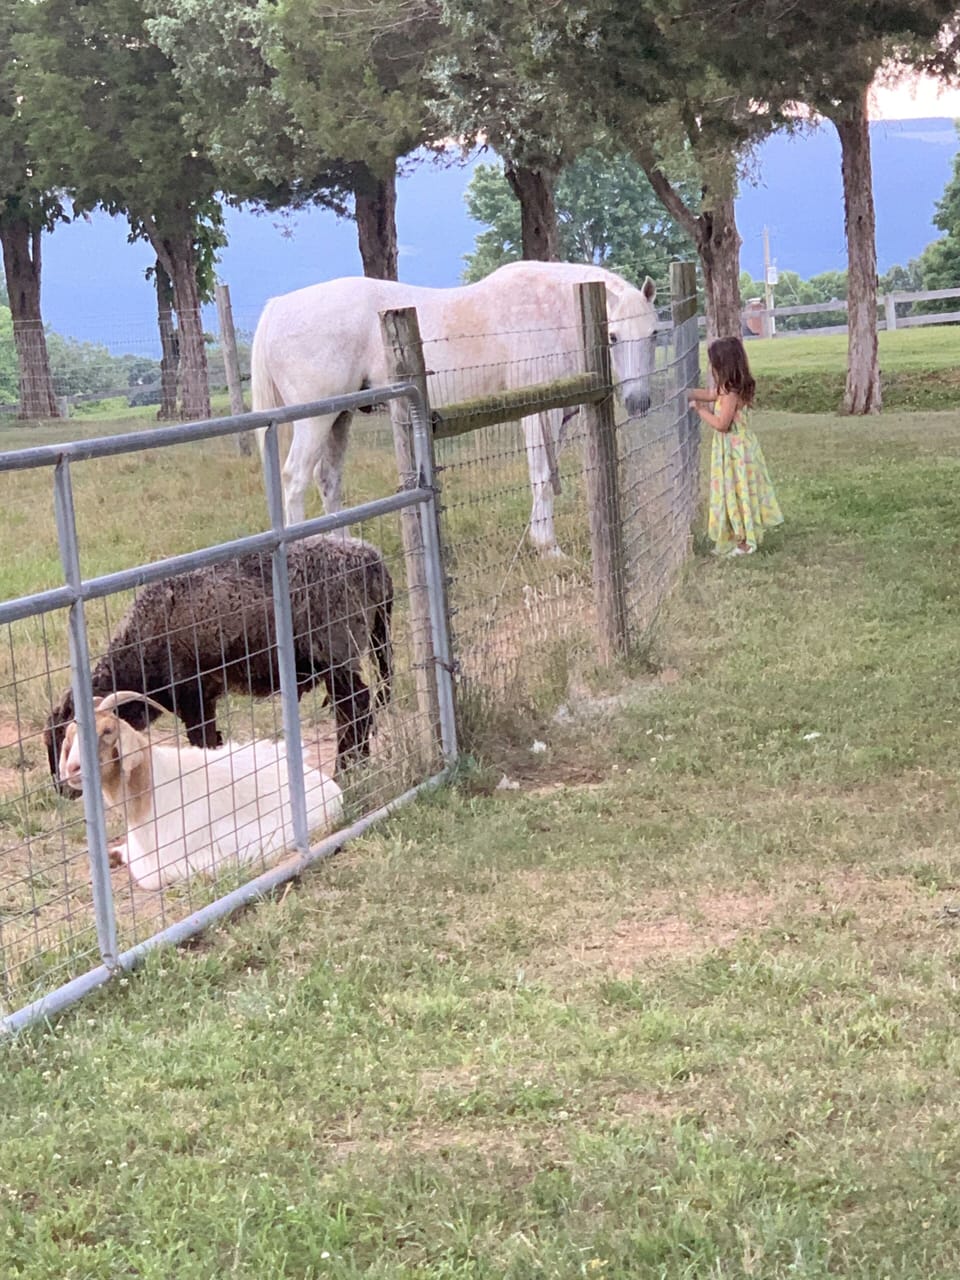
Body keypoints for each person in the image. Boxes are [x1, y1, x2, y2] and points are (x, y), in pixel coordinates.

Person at [689, 336, 783, 557]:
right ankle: (736, 535)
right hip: (731, 450)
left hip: (736, 451)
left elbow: (722, 424)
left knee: (740, 492)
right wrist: (686, 393)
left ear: (723, 364)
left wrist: (700, 410)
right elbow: (712, 395)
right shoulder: (725, 388)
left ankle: (746, 542)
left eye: (713, 363)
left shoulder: (732, 394)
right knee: (732, 492)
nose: (710, 367)